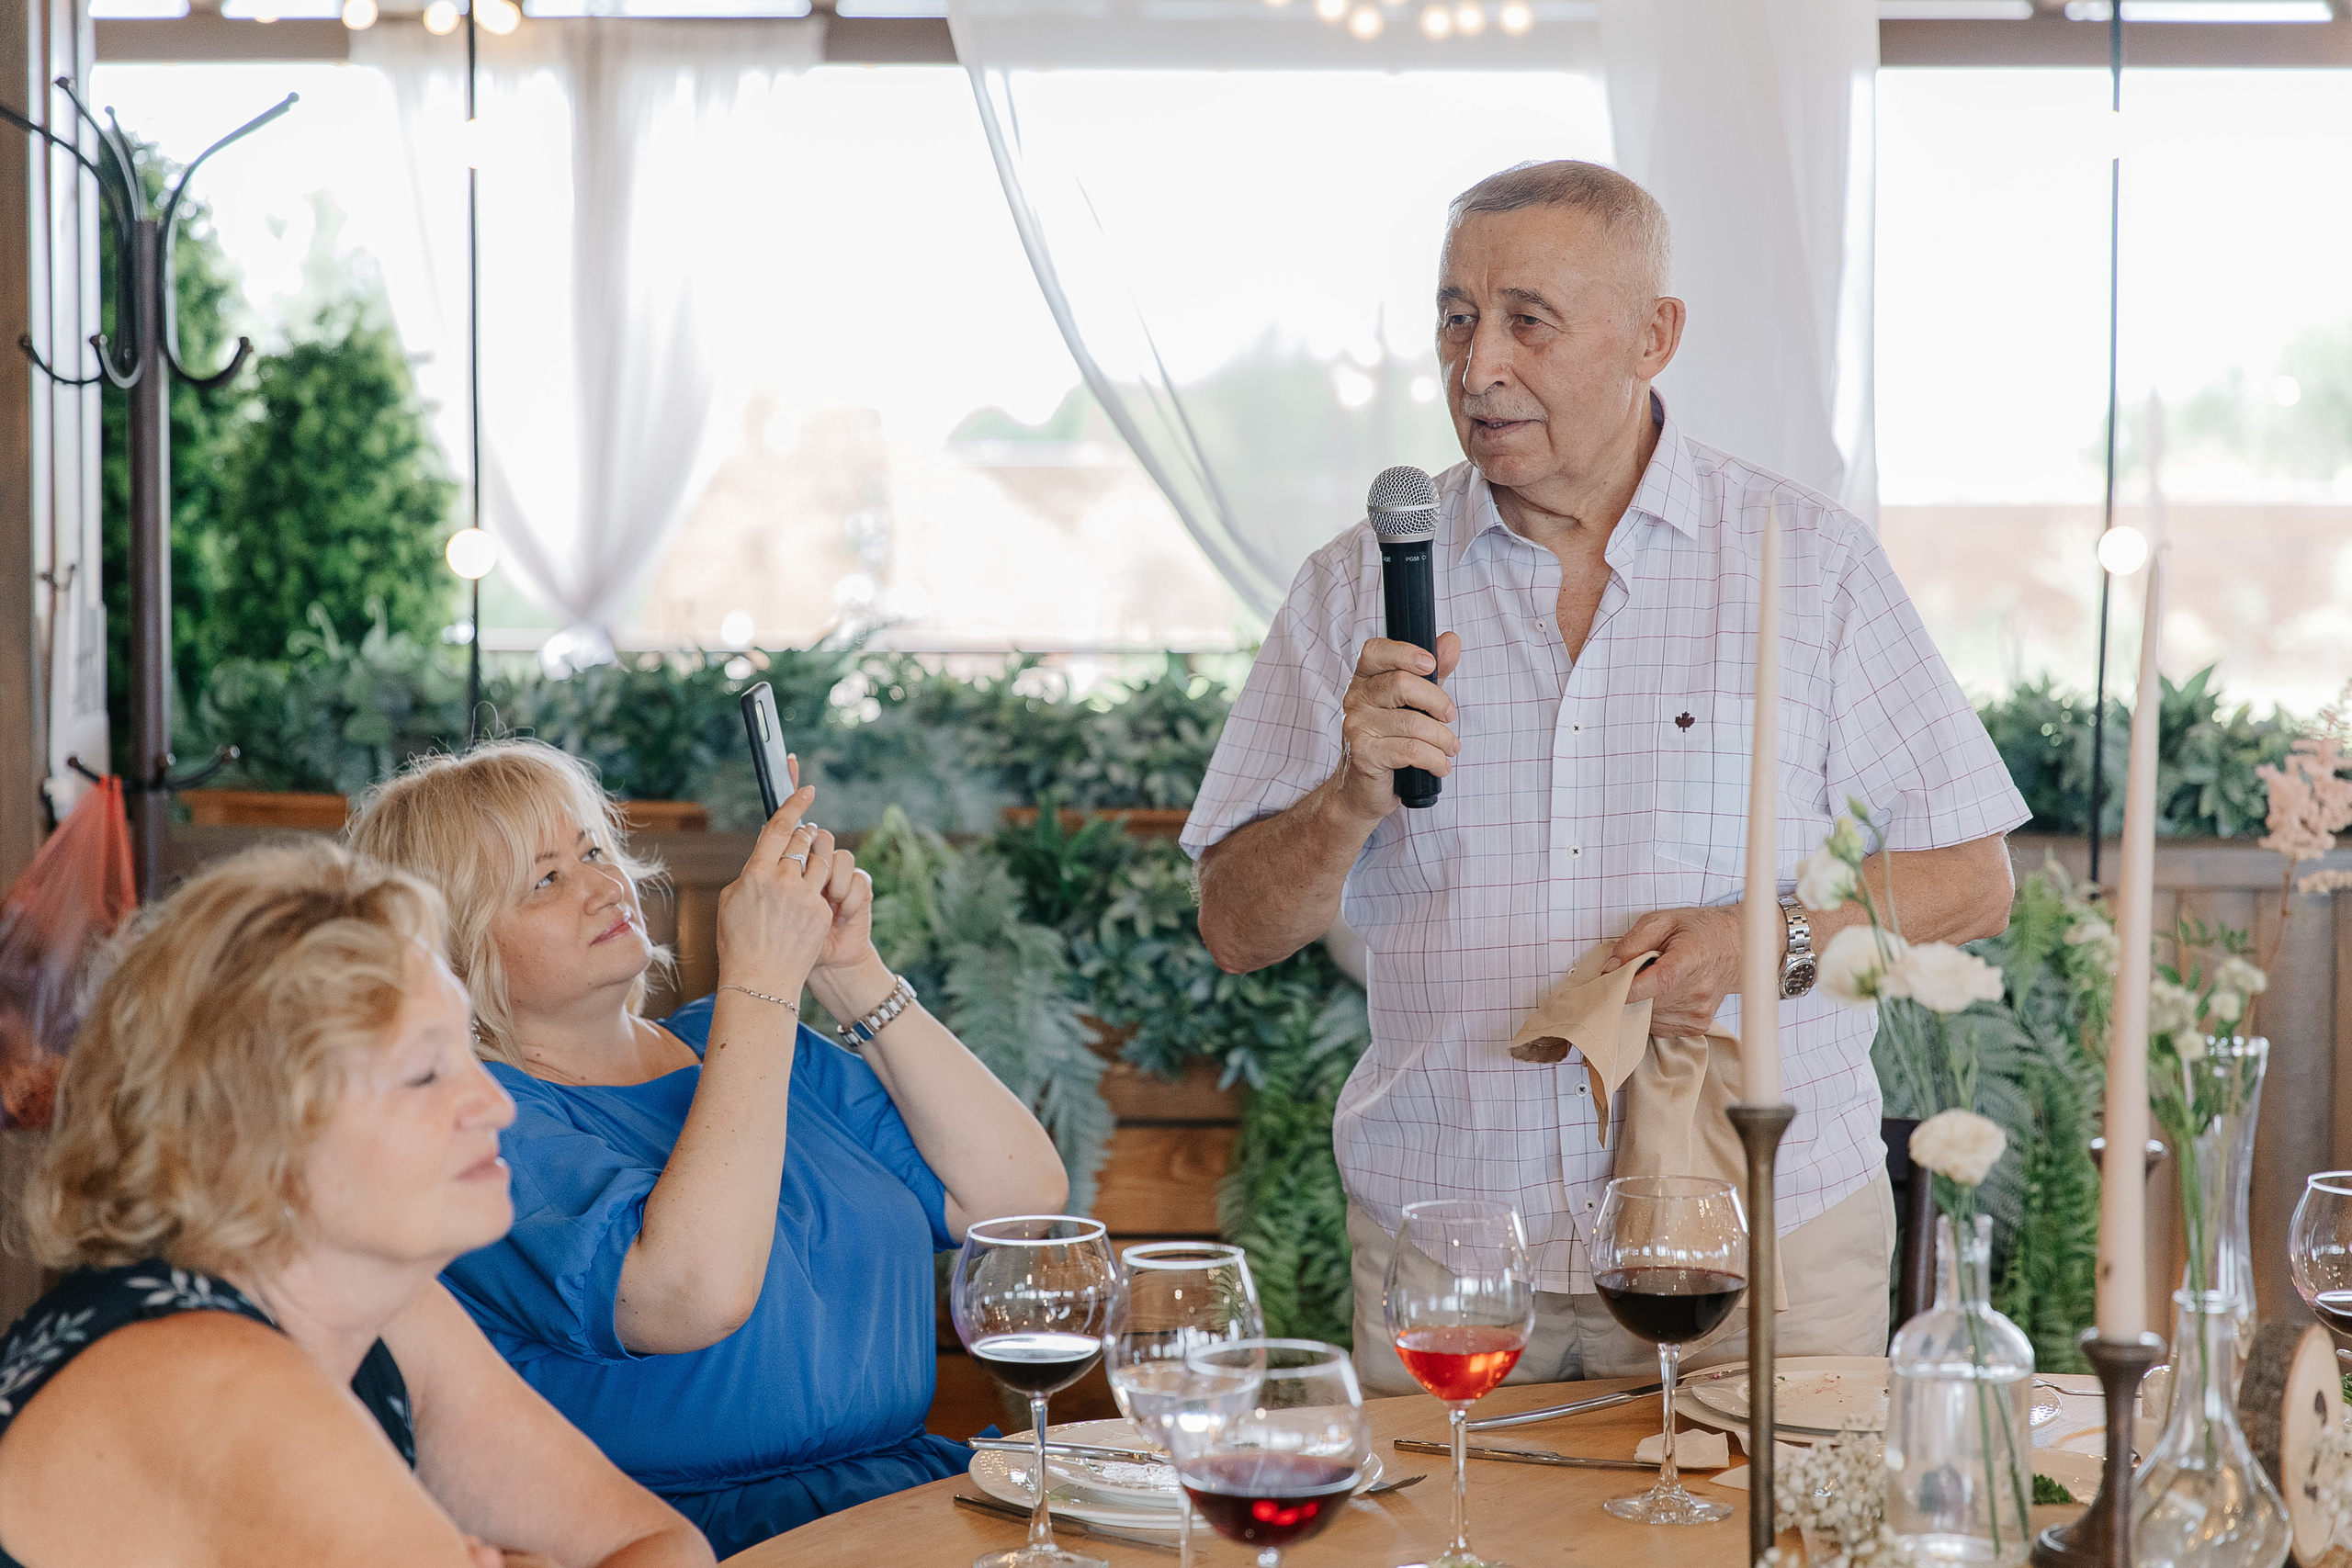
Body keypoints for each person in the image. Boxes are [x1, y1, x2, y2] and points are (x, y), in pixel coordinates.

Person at [1183, 160, 2029, 1394]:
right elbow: (1235, 923)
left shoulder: (1813, 566)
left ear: (1653, 335)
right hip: (1459, 1248)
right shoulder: (1348, 589)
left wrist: (1768, 936)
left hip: (1761, 1236)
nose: (1478, 366)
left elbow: (1974, 877)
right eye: (1456, 318)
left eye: (1528, 320)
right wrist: (1346, 799)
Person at [346, 740, 1069, 1556]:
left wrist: (848, 969)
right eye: (544, 879)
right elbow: (689, 1293)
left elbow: (1016, 1196)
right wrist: (759, 980)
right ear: (450, 949)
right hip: (691, 1538)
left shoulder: (748, 1045)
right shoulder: (478, 1121)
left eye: (593, 849)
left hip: (912, 1499)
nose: (602, 886)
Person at [0, 841, 711, 1568]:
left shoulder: (377, 1303)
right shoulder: (221, 1384)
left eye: (465, 1049)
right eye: (424, 1072)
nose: (496, 1104)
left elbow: (662, 1545)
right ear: (255, 1132)